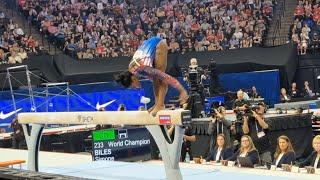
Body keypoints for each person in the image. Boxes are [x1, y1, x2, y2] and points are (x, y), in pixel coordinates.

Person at [115, 37, 188, 115]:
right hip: (148, 46)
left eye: (132, 86)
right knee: (155, 79)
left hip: (159, 44)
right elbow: (155, 81)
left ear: (133, 79)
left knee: (160, 78)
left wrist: (182, 90)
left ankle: (160, 105)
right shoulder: (132, 70)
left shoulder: (142, 69)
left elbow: (165, 77)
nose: (135, 88)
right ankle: (157, 104)